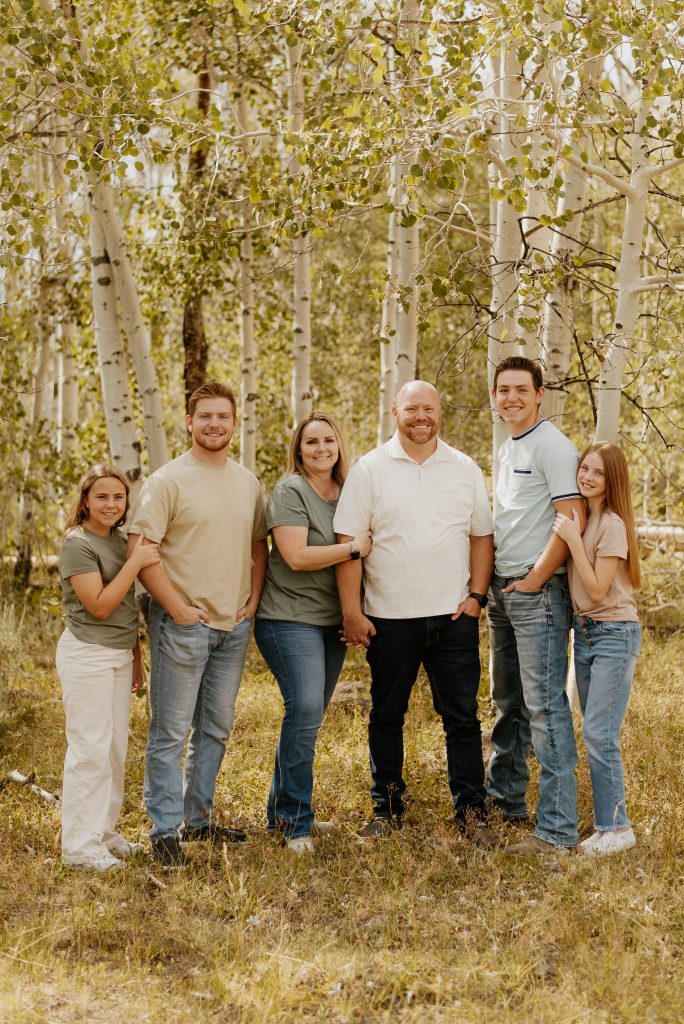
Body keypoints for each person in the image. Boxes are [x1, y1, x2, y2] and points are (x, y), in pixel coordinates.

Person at [334, 380, 497, 844]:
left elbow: (480, 535)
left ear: (438, 411)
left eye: (428, 408)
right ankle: (386, 809)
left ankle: (471, 811)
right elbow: (348, 545)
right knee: (387, 715)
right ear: (395, 412)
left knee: (462, 718)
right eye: (412, 409)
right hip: (388, 618)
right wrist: (352, 611)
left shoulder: (463, 467)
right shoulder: (370, 470)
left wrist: (476, 598)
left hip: (452, 617)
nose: (421, 416)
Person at [127, 382, 268, 867]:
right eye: (204, 416)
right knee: (169, 733)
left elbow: (257, 545)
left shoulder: (247, 481)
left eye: (222, 416)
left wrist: (253, 597)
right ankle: (164, 832)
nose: (214, 424)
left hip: (233, 625)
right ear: (189, 422)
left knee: (215, 729)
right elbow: (140, 554)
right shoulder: (167, 481)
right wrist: (178, 610)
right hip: (182, 625)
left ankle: (198, 820)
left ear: (234, 423)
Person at [255, 412, 372, 854]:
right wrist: (354, 547)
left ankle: (281, 812)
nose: (321, 449)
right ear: (298, 450)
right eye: (311, 443)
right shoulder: (291, 491)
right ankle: (295, 823)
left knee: (307, 719)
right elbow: (297, 556)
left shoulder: (347, 493)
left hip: (330, 623)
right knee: (303, 710)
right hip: (287, 619)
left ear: (339, 445)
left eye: (328, 440)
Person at [486, 355, 585, 856]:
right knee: (509, 703)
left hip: (537, 592)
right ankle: (504, 801)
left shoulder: (553, 446)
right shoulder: (508, 445)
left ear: (540, 393)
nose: (511, 398)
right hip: (504, 593)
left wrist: (533, 581)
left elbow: (571, 520)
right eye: (503, 390)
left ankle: (557, 831)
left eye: (521, 389)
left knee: (545, 708)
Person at [56, 464, 160, 871]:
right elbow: (99, 605)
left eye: (118, 498)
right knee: (90, 750)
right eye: (101, 497)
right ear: (85, 500)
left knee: (115, 749)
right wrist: (135, 564)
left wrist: (135, 658)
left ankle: (103, 832)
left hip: (118, 656)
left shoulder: (118, 541)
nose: (111, 504)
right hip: (88, 655)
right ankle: (79, 847)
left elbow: (127, 609)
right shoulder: (77, 544)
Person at [552, 442, 641, 856]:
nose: (587, 477)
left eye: (597, 473)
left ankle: (617, 828)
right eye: (584, 468)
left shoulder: (611, 525)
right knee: (594, 729)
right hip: (585, 633)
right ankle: (607, 824)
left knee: (599, 732)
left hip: (614, 633)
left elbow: (598, 587)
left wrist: (570, 538)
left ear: (612, 481)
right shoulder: (584, 518)